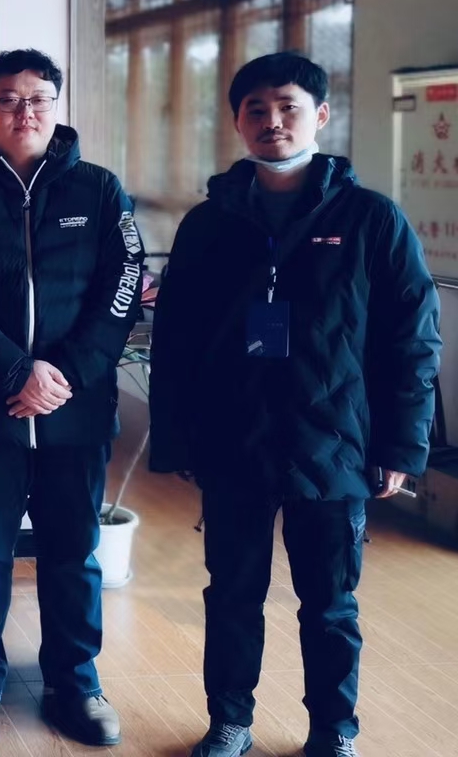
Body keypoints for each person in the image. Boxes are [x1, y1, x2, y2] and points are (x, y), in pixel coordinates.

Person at [148, 52, 441, 757]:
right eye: (256, 109)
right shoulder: (210, 223)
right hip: (234, 440)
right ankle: (230, 721)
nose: (272, 121)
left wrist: (403, 445)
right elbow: (176, 339)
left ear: (321, 115)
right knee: (232, 593)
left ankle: (333, 729)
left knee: (331, 602)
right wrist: (177, 438)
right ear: (237, 122)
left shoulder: (371, 219)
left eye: (288, 107)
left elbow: (413, 338)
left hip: (335, 441)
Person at [0, 48, 143, 750]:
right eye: (7, 99)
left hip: (76, 408)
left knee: (74, 552)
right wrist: (15, 372)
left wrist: (60, 375)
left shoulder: (99, 191)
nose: (24, 111)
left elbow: (122, 286)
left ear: (56, 105)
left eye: (38, 97)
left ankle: (76, 683)